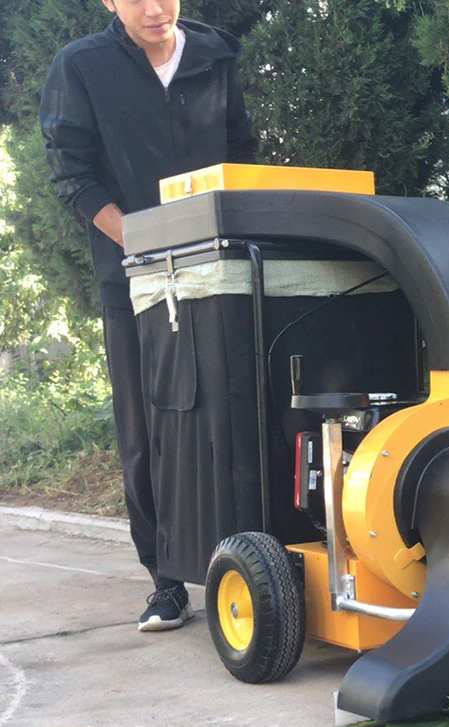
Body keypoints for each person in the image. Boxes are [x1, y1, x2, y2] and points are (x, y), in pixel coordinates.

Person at [39, 0, 256, 631]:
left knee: (231, 415)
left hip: (219, 274)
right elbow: (73, 174)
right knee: (143, 433)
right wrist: (140, 241)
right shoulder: (82, 66)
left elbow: (240, 151)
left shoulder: (215, 54)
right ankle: (165, 579)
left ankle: (242, 559)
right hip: (130, 279)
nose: (156, 8)